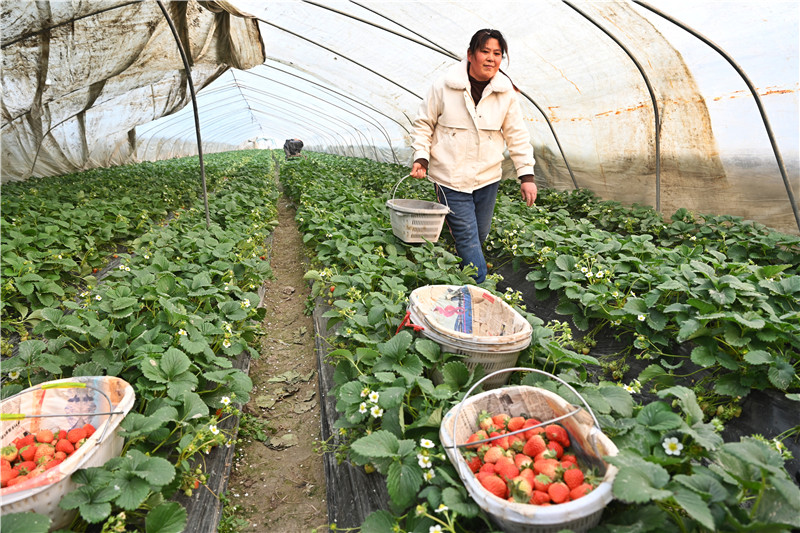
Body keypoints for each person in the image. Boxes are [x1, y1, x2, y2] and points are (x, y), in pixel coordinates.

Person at [410, 29, 537, 284]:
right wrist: (421, 157)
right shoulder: (444, 87)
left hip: (487, 177)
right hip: (449, 176)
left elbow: (517, 135)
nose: (491, 58)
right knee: (467, 235)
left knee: (479, 234)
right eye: (485, 51)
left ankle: (458, 268)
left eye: (497, 53)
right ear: (470, 55)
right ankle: (481, 289)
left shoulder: (506, 94)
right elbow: (424, 124)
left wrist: (527, 175)